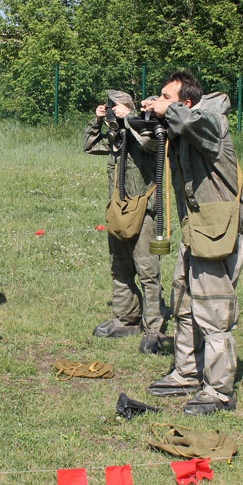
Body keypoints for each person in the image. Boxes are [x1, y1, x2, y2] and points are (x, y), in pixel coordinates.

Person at [141, 71, 243, 415]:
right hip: (197, 229)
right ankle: (187, 372)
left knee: (214, 311)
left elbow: (191, 124)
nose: (162, 102)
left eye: (167, 97)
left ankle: (219, 391)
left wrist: (167, 111)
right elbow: (153, 138)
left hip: (219, 231)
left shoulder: (211, 120)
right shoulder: (182, 121)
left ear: (186, 102)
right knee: (184, 301)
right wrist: (143, 112)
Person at [85, 90, 168, 353]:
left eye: (114, 107)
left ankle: (154, 327)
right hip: (118, 211)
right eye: (109, 107)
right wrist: (98, 122)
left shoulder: (147, 129)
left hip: (143, 212)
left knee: (148, 272)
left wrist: (131, 118)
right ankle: (126, 318)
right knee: (119, 268)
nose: (111, 110)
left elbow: (151, 145)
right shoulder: (116, 136)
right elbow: (89, 146)